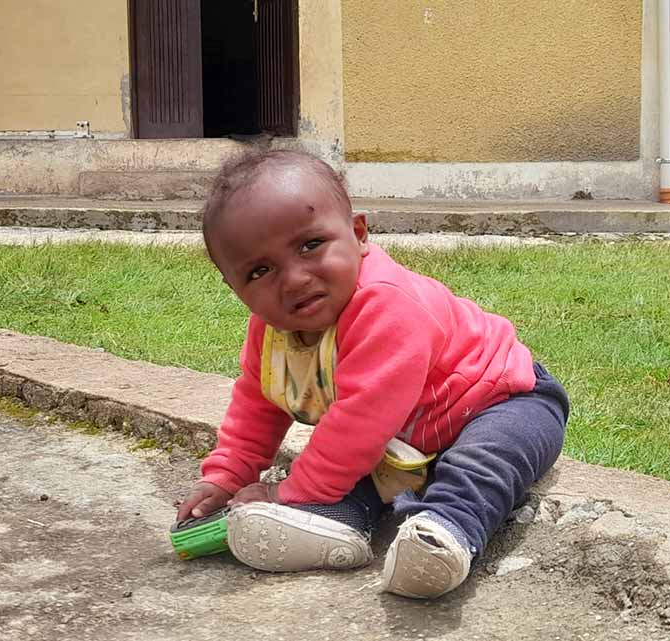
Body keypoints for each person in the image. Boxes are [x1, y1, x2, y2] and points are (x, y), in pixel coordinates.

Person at [175, 150, 569, 599]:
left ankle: (445, 534)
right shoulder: (270, 330)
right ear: (235, 288)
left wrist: (290, 490)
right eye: (260, 271)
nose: (294, 279)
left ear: (359, 234)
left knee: (482, 460)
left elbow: (360, 420)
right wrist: (224, 476)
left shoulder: (386, 304)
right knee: (357, 472)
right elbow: (259, 402)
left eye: (310, 245)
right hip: (401, 440)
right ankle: (334, 526)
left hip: (503, 401)